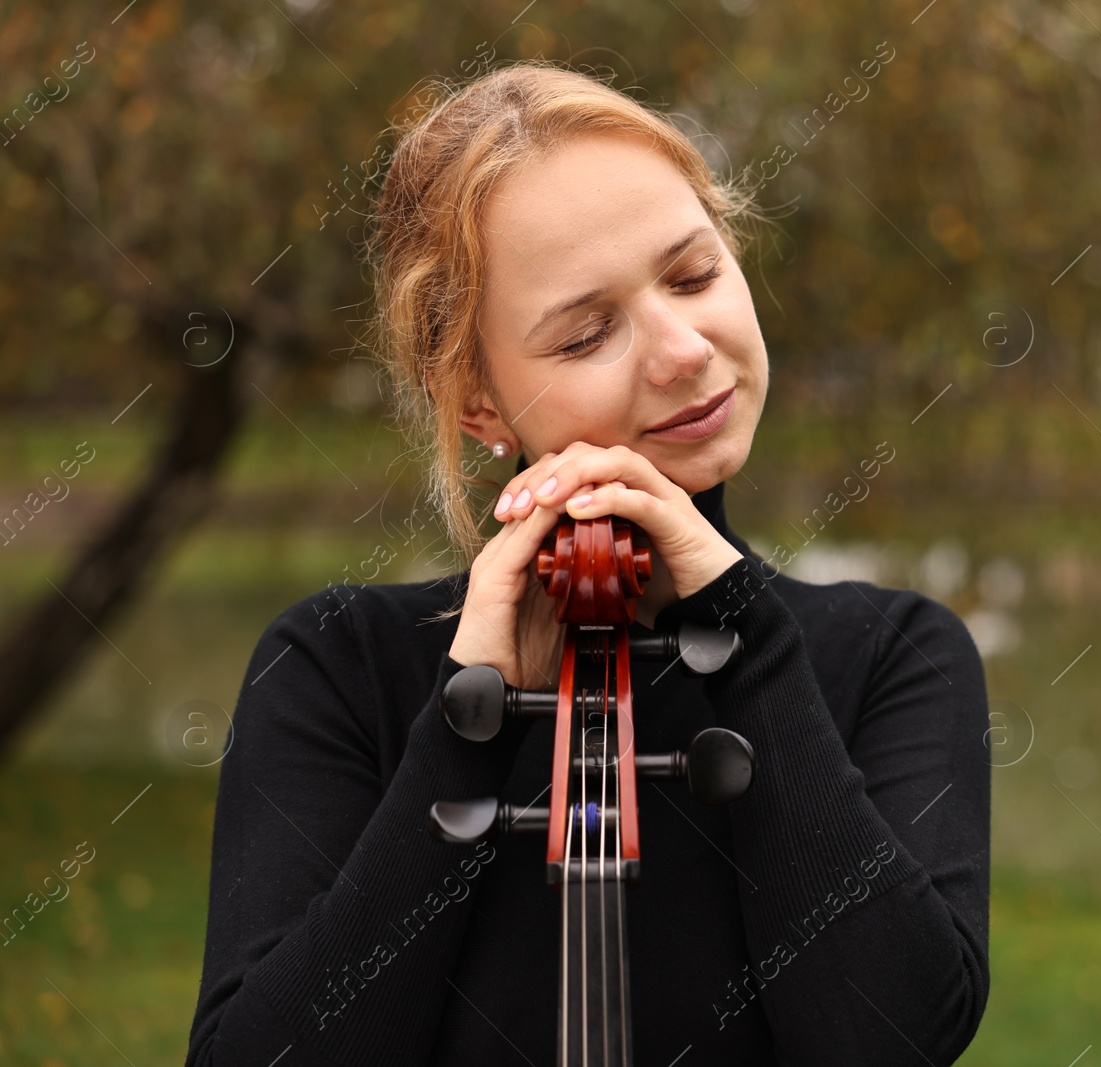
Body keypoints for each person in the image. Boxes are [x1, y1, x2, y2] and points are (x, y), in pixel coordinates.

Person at [185, 59, 990, 1067]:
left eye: (694, 275)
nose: (682, 349)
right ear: (476, 400)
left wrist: (745, 634)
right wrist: (464, 722)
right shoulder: (335, 665)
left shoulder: (894, 656)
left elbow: (890, 1038)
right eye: (585, 333)